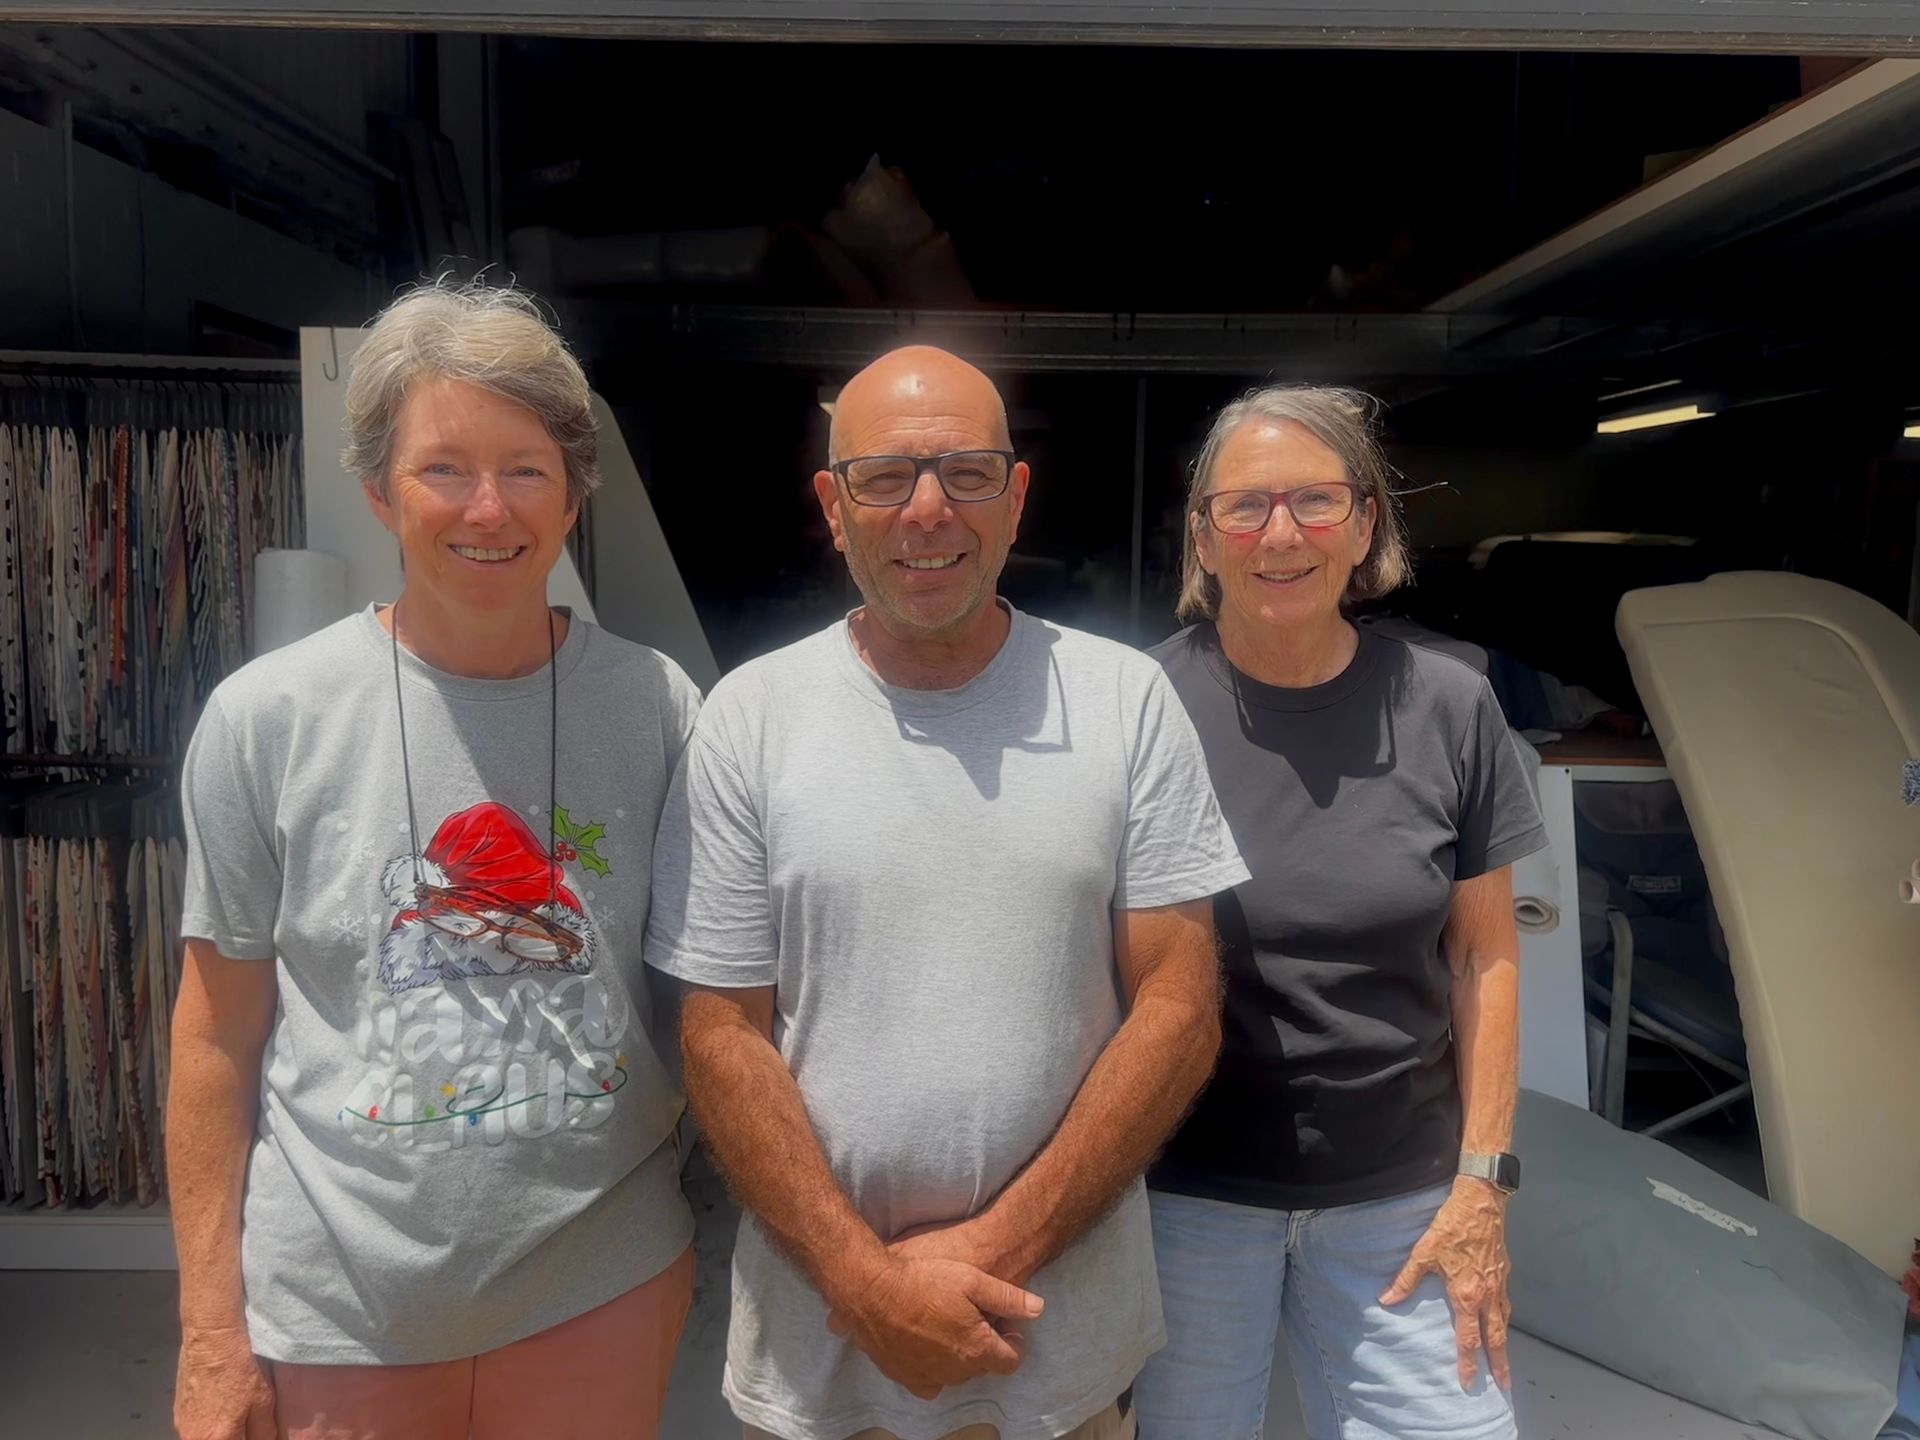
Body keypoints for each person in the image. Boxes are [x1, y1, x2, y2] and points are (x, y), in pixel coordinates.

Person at [644, 345, 1248, 1440]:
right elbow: (721, 1038)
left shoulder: (1125, 701)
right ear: (834, 507)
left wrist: (989, 1251)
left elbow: (1178, 1004)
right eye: (886, 477)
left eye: (967, 473)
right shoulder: (750, 719)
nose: (930, 509)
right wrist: (866, 1286)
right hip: (827, 1355)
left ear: (1016, 499)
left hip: (1055, 1353)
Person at [169, 279, 700, 1440]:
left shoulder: (659, 709)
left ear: (573, 495)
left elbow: (708, 998)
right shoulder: (270, 718)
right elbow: (214, 1034)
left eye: (526, 467)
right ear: (377, 490)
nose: (487, 508)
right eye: (443, 468)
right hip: (342, 1313)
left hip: (595, 1287)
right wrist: (212, 1331)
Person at [1132, 386, 1547, 1440]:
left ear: (1365, 527)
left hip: (1404, 1203)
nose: (1283, 534)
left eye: (1316, 501)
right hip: (1185, 1199)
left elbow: (1485, 960)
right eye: (1247, 506)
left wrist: (1482, 1187)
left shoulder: (1451, 705)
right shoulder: (1136, 710)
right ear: (1203, 536)